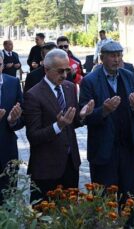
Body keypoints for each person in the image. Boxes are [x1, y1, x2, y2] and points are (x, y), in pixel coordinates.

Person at [23, 49, 94, 202]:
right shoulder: (33, 95)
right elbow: (33, 136)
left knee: (70, 216)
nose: (65, 74)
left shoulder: (69, 88)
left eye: (67, 70)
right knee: (45, 219)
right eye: (60, 71)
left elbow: (72, 123)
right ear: (46, 70)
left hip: (70, 164)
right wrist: (57, 126)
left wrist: (81, 116)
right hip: (46, 168)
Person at [79, 41, 134, 209]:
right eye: (113, 56)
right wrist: (104, 111)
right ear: (102, 58)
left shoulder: (128, 76)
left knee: (129, 196)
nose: (117, 60)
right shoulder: (89, 81)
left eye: (119, 55)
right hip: (103, 149)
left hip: (127, 147)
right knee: (103, 199)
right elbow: (83, 117)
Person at [0, 55, 23, 204]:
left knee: (8, 200)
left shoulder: (13, 83)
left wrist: (13, 121)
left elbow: (22, 116)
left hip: (7, 152)